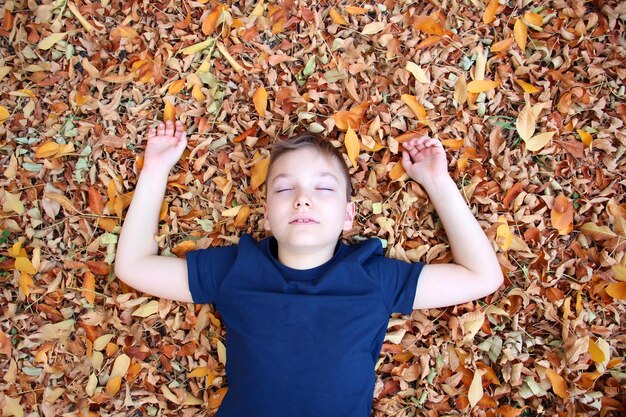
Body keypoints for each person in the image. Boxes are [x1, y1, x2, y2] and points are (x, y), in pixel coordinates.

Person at [114, 120, 503, 417]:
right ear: (266, 214)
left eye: (324, 188)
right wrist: (155, 170)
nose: (302, 200)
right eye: (285, 189)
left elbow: (482, 276)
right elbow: (133, 266)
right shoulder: (237, 268)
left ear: (348, 215)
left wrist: (437, 181)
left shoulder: (372, 276)